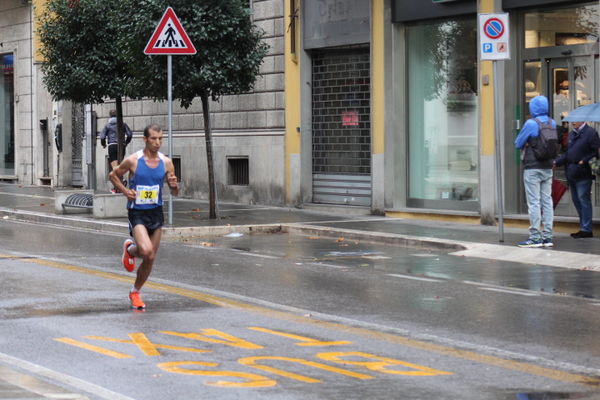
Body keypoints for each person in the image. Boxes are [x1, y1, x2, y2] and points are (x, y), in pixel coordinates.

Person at [108, 124, 179, 309]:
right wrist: (125, 191)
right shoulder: (133, 160)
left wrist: (173, 185)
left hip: (156, 212)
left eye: (161, 138)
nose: (158, 142)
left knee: (150, 257)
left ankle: (135, 292)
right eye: (154, 138)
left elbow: (175, 192)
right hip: (137, 211)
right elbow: (113, 175)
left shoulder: (167, 162)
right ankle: (131, 248)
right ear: (145, 139)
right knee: (146, 251)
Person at [514, 95, 557, 248]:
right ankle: (548, 236)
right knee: (547, 201)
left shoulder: (531, 123)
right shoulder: (552, 122)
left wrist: (526, 143)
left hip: (532, 167)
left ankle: (535, 238)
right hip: (547, 167)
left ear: (532, 108)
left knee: (534, 202)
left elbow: (518, 143)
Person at [554, 121, 600, 239]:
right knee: (576, 200)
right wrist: (557, 162)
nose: (572, 122)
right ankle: (583, 227)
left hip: (583, 172)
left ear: (582, 120)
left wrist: (583, 160)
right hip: (571, 172)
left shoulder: (591, 133)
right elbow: (568, 153)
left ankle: (586, 229)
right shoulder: (571, 134)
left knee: (583, 199)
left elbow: (596, 151)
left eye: (575, 120)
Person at [100, 110, 133, 192]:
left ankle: (121, 183)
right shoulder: (123, 124)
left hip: (112, 146)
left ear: (110, 116)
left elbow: (102, 136)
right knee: (120, 167)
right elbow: (129, 134)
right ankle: (118, 186)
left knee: (115, 168)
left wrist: (103, 144)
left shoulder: (107, 125)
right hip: (122, 146)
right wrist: (126, 142)